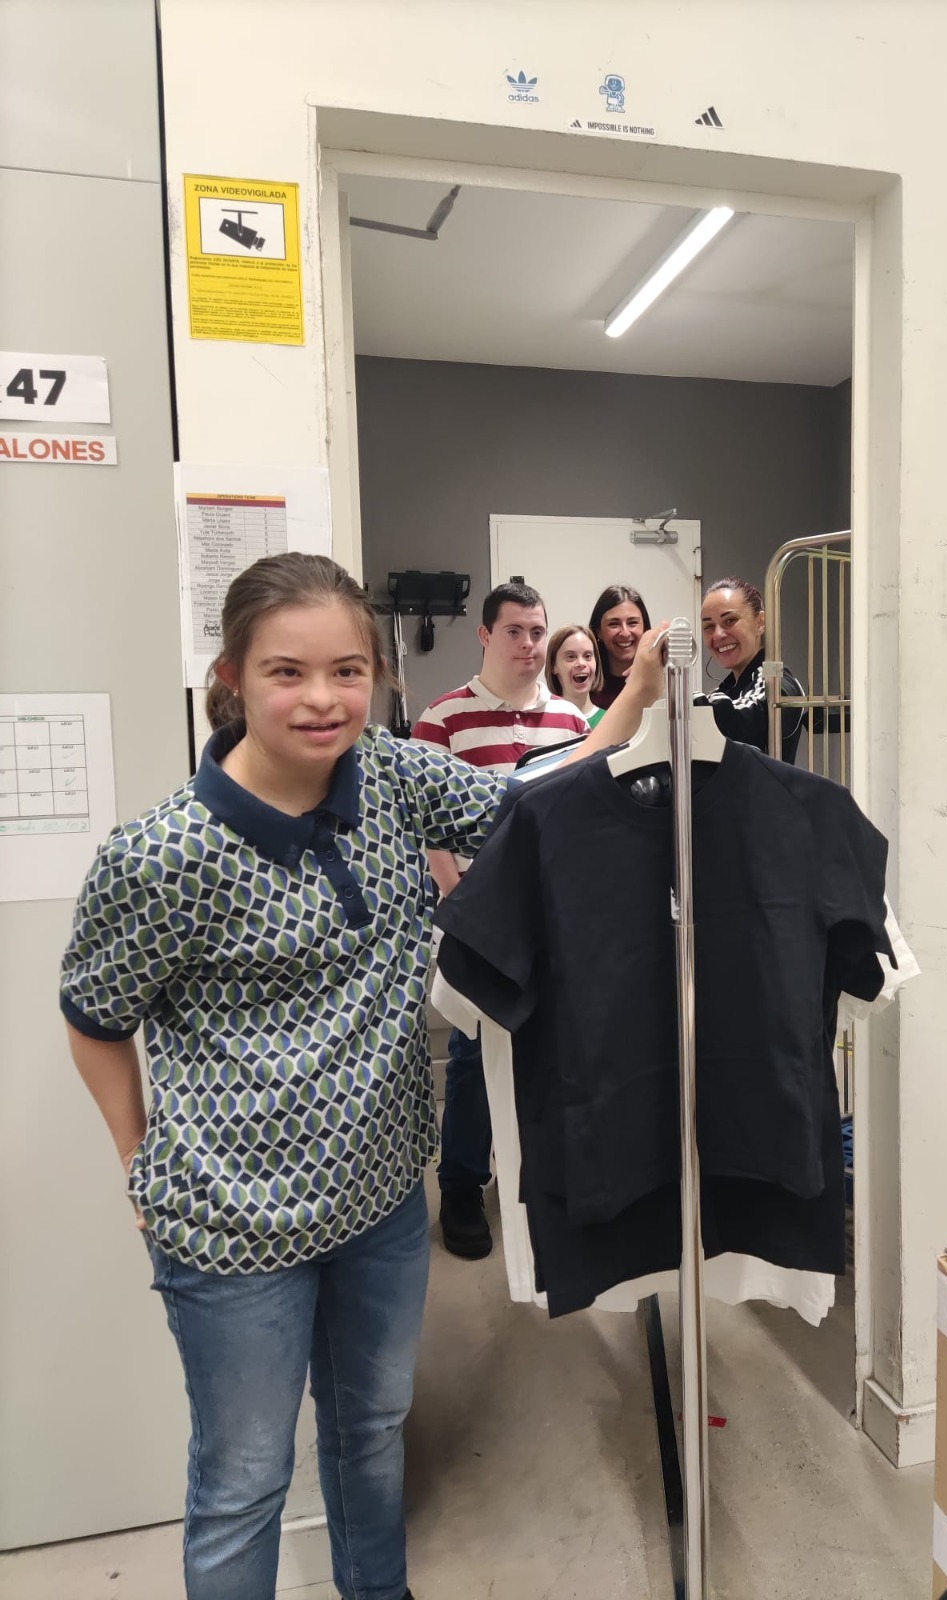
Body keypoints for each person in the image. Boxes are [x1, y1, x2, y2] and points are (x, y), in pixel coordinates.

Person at [60, 552, 667, 1600]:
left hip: (383, 1200)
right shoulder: (159, 857)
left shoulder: (389, 774)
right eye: (286, 671)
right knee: (245, 1479)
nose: (323, 698)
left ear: (376, 675)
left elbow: (531, 804)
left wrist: (633, 705)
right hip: (231, 1229)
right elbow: (94, 1021)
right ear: (232, 678)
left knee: (373, 1429)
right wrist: (137, 1160)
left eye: (347, 670)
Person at [411, 581, 589, 1261]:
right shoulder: (444, 718)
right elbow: (423, 817)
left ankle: (541, 1181)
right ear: (485, 635)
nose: (530, 644)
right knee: (470, 1052)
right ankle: (461, 1184)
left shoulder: (570, 722)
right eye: (514, 631)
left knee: (551, 1047)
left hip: (551, 915)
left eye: (538, 631)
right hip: (478, 915)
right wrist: (453, 890)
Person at [699, 576, 807, 764]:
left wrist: (682, 703)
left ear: (760, 622)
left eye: (730, 620)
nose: (718, 634)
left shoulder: (777, 683)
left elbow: (742, 724)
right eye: (708, 626)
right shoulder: (727, 690)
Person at [588, 584, 651, 710]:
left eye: (632, 623)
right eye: (614, 624)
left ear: (644, 627)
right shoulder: (585, 686)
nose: (625, 633)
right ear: (598, 631)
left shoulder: (659, 680)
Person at [546, 622, 606, 728]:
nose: (581, 663)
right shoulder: (544, 722)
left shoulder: (609, 721)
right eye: (571, 657)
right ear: (553, 666)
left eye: (587, 656)